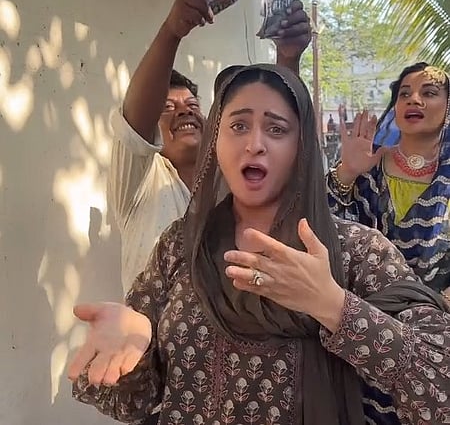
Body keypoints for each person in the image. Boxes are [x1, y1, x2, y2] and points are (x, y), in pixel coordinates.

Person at [69, 64, 449, 425]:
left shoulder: (356, 251)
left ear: (302, 147)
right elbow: (133, 404)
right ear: (216, 142)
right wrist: (132, 347)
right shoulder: (180, 246)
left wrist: (335, 307)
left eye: (276, 129)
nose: (254, 144)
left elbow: (440, 390)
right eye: (238, 126)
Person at [109, 0, 312, 293]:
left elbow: (284, 144)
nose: (185, 110)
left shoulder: (238, 179)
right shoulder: (140, 182)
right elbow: (135, 123)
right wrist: (172, 32)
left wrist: (287, 60)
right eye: (168, 107)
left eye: (193, 104)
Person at [327, 63, 450, 295]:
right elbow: (321, 227)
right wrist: (348, 172)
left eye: (428, 93)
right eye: (405, 94)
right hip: (362, 306)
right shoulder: (369, 163)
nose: (414, 100)